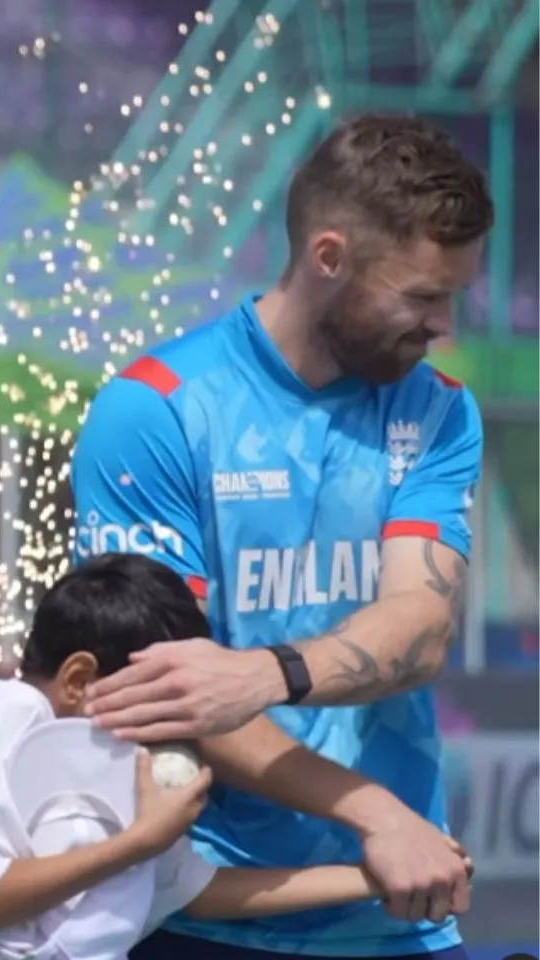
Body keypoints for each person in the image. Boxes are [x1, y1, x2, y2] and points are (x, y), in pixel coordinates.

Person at [73, 113, 492, 960]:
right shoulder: (154, 409)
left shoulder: (436, 410)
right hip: (204, 913)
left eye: (453, 296)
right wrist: (375, 812)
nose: (441, 324)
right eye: (420, 296)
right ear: (328, 256)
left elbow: (419, 629)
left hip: (399, 906)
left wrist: (264, 673)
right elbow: (168, 692)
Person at [0, 555, 470, 960]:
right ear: (79, 679)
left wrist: (376, 878)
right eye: (161, 699)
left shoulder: (118, 771)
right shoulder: (10, 709)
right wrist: (139, 842)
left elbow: (195, 892)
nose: (180, 722)